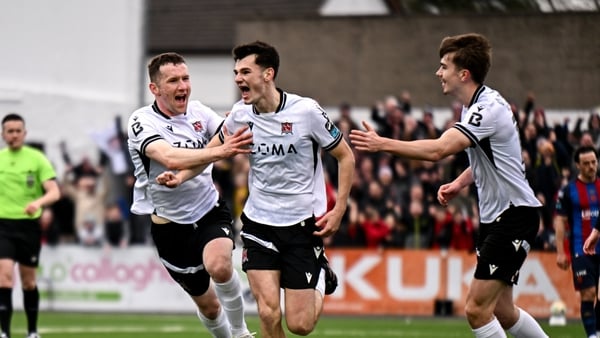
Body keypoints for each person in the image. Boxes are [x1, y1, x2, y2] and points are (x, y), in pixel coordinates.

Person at [349, 33, 547, 338]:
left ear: (463, 74)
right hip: (499, 218)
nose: (438, 72)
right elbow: (492, 160)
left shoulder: (487, 109)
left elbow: (438, 150)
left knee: (476, 310)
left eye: (444, 66)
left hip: (514, 216)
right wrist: (459, 182)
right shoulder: (475, 107)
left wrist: (381, 143)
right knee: (503, 312)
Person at [190, 40, 355, 337]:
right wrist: (180, 174)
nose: (238, 78)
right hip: (259, 223)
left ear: (268, 74)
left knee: (300, 325)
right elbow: (212, 151)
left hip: (302, 224)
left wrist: (339, 209)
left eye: (245, 71)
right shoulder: (240, 115)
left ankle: (319, 272)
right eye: (236, 72)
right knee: (267, 313)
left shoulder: (307, 112)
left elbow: (345, 155)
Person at [126, 52, 255, 338]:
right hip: (170, 228)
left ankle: (241, 332)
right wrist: (219, 150)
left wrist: (236, 125)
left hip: (208, 209)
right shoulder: (142, 121)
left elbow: (228, 135)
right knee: (209, 307)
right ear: (155, 89)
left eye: (185, 78)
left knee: (220, 266)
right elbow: (168, 156)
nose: (182, 86)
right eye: (173, 80)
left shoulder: (199, 111)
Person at [0, 113, 61, 338]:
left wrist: (38, 203)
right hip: (3, 225)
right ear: (3, 134)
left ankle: (32, 331)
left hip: (28, 227)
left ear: (24, 134)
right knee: (4, 276)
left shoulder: (37, 159)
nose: (14, 135)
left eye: (18, 131)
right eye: (10, 131)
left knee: (28, 281)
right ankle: (4, 332)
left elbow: (54, 192)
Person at [556, 145, 600, 338]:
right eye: (586, 163)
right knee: (589, 293)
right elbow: (560, 220)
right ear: (577, 165)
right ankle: (592, 335)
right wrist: (560, 251)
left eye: (594, 162)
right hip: (580, 249)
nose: (591, 166)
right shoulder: (568, 190)